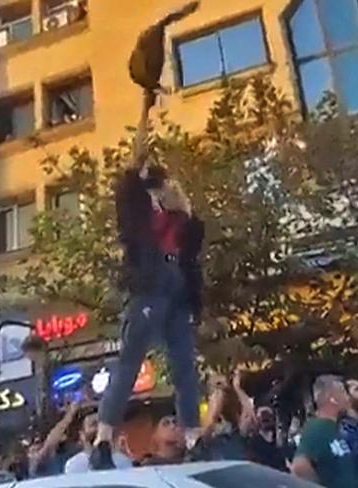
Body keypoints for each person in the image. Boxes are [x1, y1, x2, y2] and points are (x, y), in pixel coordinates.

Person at [92, 30, 205, 469]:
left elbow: (194, 229)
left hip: (176, 284)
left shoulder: (180, 220)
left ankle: (194, 436)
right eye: (160, 184)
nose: (166, 187)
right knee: (130, 359)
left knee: (184, 364)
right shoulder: (137, 213)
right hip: (150, 281)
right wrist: (144, 109)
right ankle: (103, 437)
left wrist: (181, 200)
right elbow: (134, 162)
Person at [291, 375, 358, 487]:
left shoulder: (334, 428)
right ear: (332, 399)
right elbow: (300, 466)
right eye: (343, 392)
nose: (348, 398)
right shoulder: (317, 428)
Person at [65, 412, 132, 473]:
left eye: (102, 425)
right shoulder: (74, 466)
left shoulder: (123, 461)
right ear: (82, 434)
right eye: (94, 424)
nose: (100, 429)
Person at [27, 402, 79, 478]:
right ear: (28, 454)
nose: (38, 449)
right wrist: (70, 414)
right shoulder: (35, 467)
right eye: (33, 449)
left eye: (40, 444)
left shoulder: (67, 453)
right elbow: (49, 444)